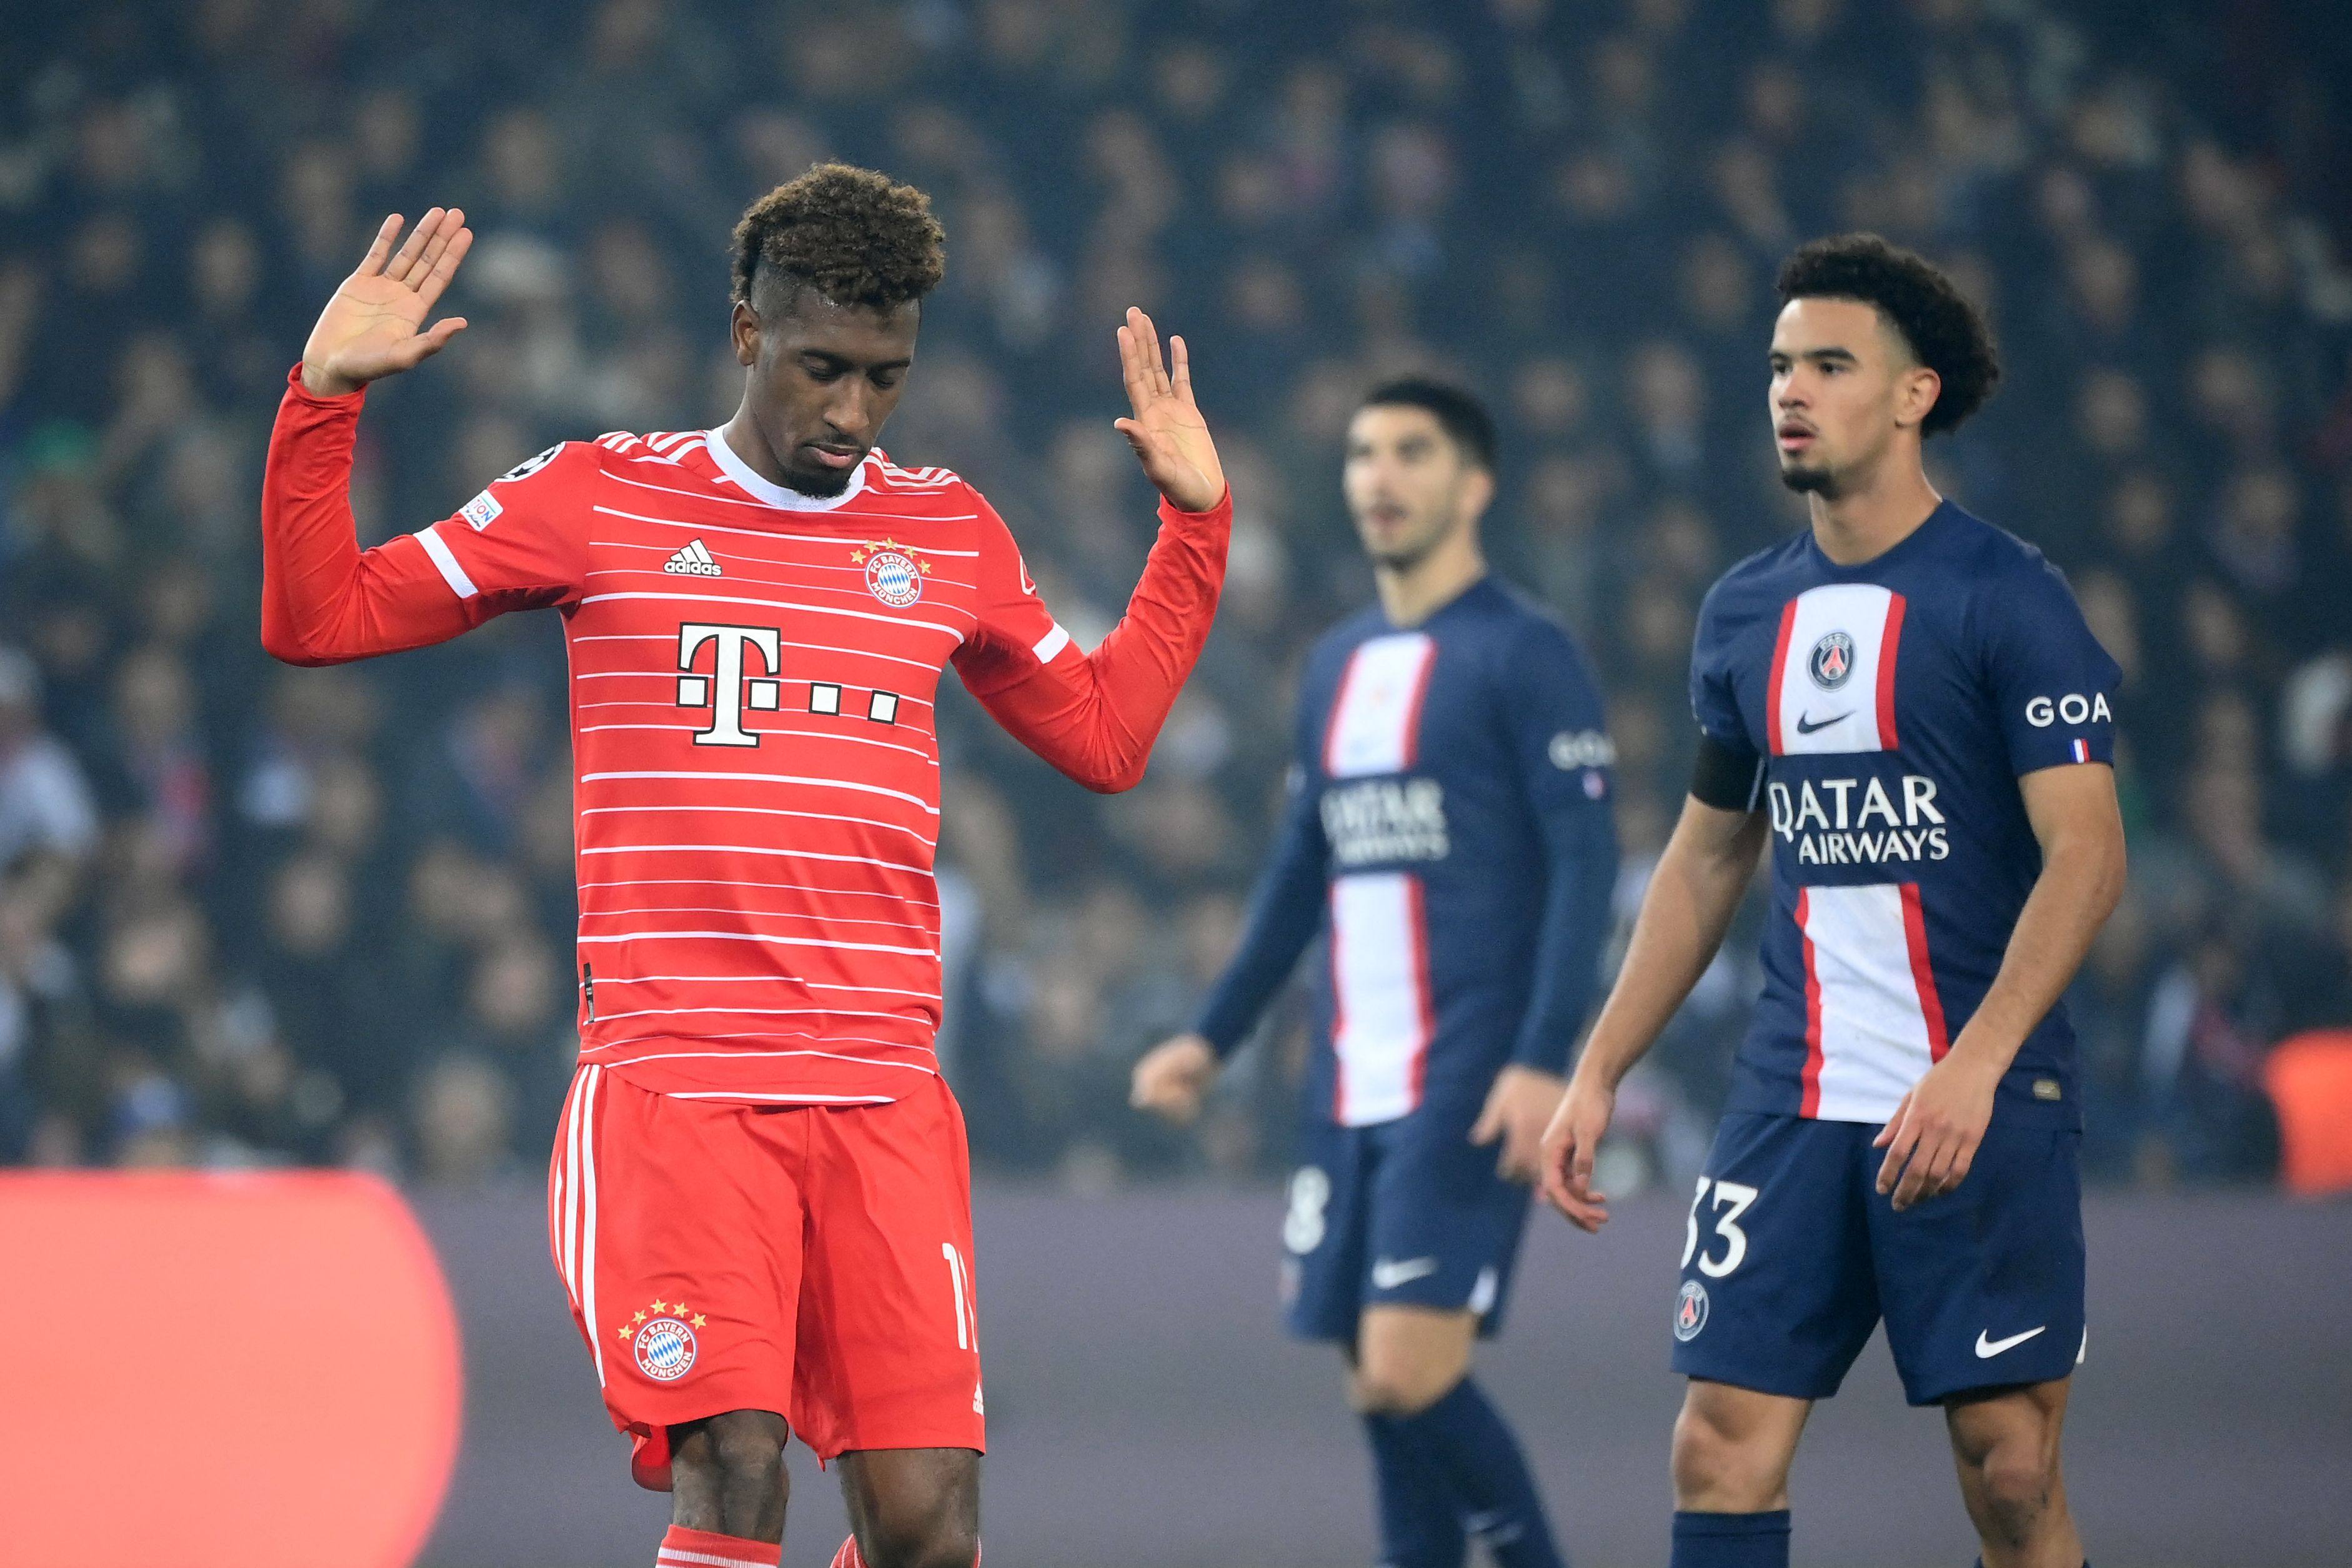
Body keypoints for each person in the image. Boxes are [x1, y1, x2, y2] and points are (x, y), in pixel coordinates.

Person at [261, 165, 1231, 1568]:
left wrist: (1192, 534)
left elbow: (1102, 735)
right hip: (678, 1088)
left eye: (884, 378)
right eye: (821, 368)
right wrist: (322, 402)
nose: (849, 412)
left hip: (885, 1098)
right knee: (735, 1468)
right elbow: (321, 618)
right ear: (744, 335)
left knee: (927, 1531)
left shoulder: (946, 529)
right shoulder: (598, 495)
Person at [1538, 234, 2126, 1568]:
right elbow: (1704, 858)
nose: (1789, 389)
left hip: (1977, 1096)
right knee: (1715, 1445)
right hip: (1791, 1096)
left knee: (2013, 1472)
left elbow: (2087, 855)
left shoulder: (2007, 597)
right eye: (1778, 365)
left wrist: (1972, 1067)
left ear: (1914, 394)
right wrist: (1596, 1068)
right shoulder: (1745, 613)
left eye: (1829, 364)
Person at [1133, 381, 1618, 1568]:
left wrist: (1544, 1059)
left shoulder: (1529, 652)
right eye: (1361, 454)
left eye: (1412, 452)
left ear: (1475, 484)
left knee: (1410, 1372)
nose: (1380, 477)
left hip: (1467, 1071)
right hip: (1349, 1084)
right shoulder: (1337, 662)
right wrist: (1213, 1032)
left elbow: (1586, 870)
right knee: (1376, 1393)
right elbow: (1301, 866)